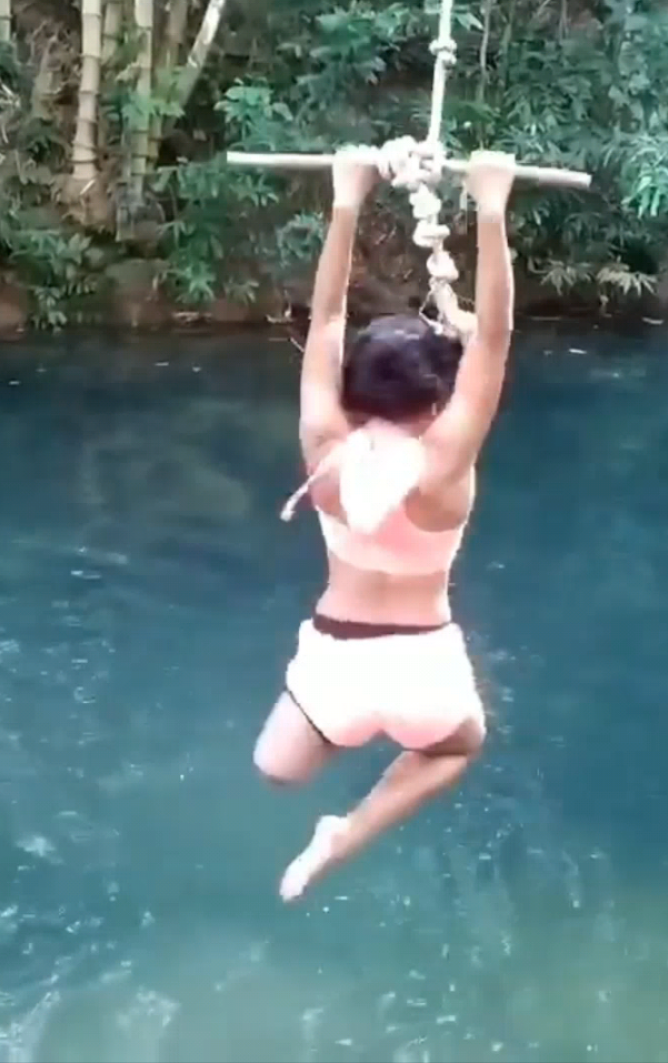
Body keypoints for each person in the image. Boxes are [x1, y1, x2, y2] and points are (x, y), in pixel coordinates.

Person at [254, 145, 519, 902]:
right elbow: (494, 340)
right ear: (436, 402)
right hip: (423, 666)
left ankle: (329, 764)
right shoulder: (445, 462)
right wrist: (491, 208)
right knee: (457, 745)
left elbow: (329, 316)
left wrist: (346, 197)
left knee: (278, 769)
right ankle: (348, 832)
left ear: (349, 390)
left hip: (336, 660)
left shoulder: (324, 449)